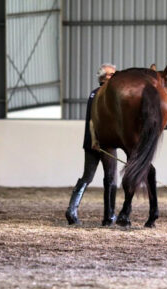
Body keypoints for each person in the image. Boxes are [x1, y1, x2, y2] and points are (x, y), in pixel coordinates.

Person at [66, 63, 117, 225]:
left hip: (90, 143)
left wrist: (93, 140)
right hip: (105, 143)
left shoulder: (93, 94)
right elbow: (94, 121)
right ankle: (109, 216)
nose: (114, 77)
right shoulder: (108, 95)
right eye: (111, 74)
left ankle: (72, 210)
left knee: (87, 176)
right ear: (103, 77)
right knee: (111, 178)